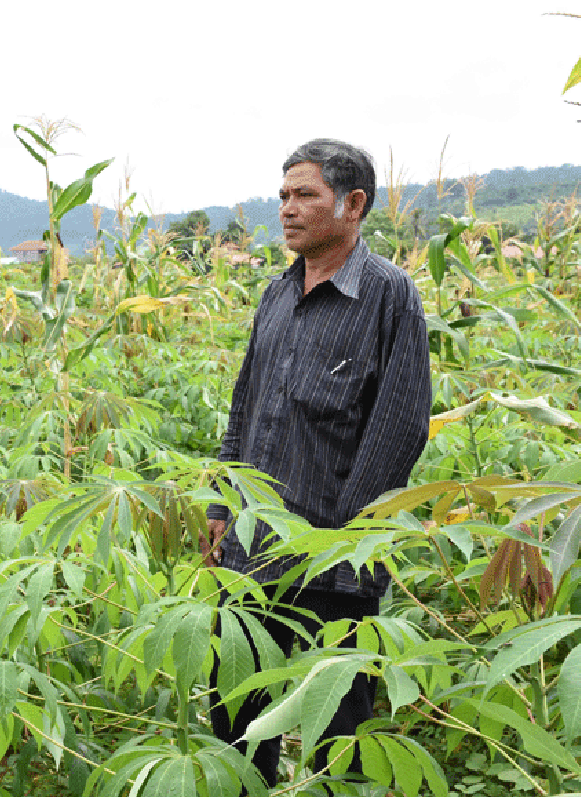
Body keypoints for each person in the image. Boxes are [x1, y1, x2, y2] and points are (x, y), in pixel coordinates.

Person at [202, 138, 432, 788]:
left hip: (337, 561)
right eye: (283, 196)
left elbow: (398, 428)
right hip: (251, 555)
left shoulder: (389, 298)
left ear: (353, 203)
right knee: (236, 712)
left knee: (341, 731)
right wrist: (223, 506)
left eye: (305, 194)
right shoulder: (276, 296)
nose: (288, 209)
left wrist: (340, 544)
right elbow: (243, 410)